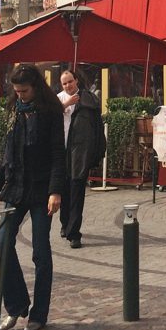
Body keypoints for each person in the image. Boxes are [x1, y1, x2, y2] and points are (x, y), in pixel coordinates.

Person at [0, 65, 65, 330]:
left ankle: (39, 313)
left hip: (42, 189)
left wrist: (56, 191)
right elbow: (7, 154)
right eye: (16, 91)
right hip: (16, 188)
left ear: (36, 87)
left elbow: (57, 154)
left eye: (24, 91)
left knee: (41, 252)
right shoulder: (14, 112)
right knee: (3, 243)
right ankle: (17, 305)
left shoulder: (50, 112)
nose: (20, 96)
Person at [58, 68, 105, 249]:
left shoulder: (88, 100)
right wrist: (66, 104)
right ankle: (65, 224)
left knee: (77, 191)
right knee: (64, 190)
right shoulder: (58, 99)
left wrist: (97, 152)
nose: (68, 85)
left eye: (70, 81)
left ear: (76, 81)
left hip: (79, 153)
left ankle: (74, 234)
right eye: (64, 83)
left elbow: (97, 128)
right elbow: (48, 118)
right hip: (61, 153)